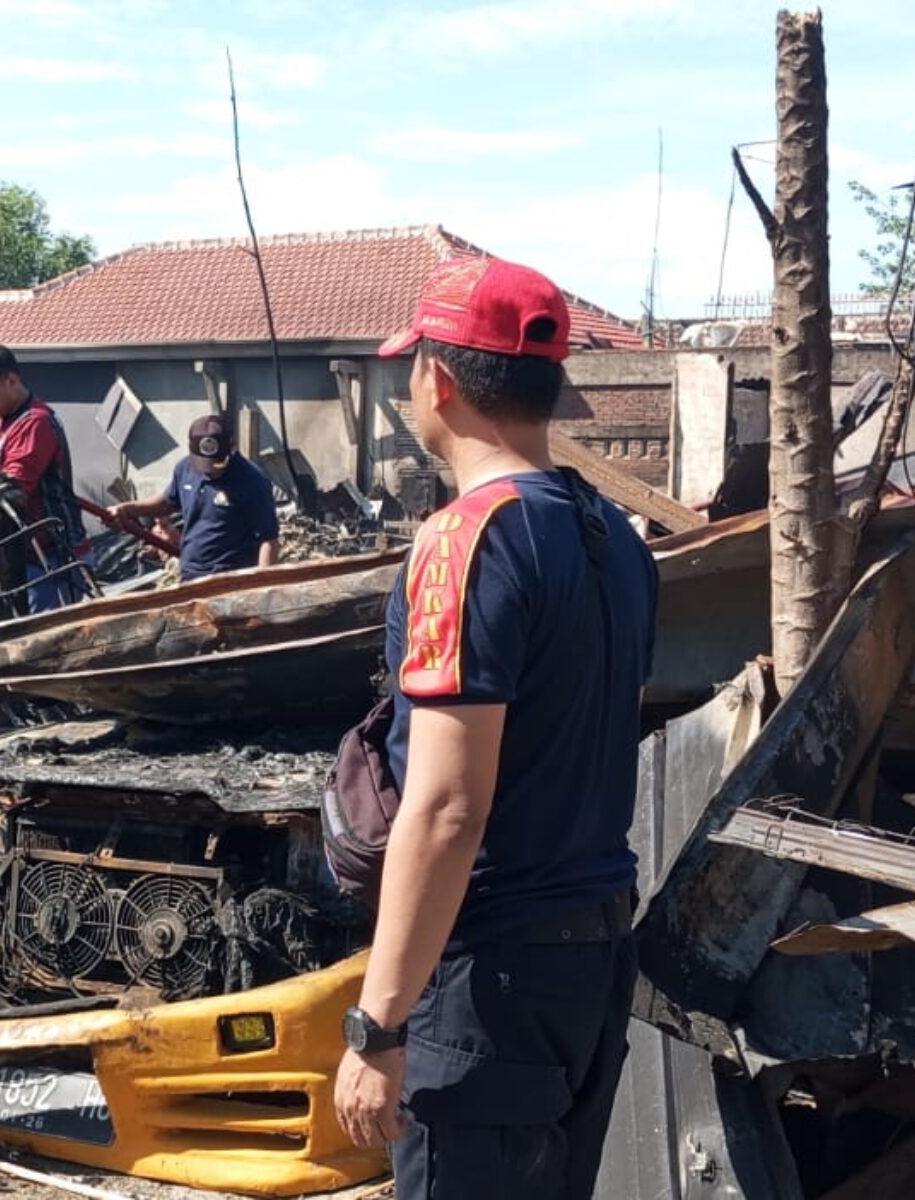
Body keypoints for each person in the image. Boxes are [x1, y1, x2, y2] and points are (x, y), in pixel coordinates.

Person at [331, 257, 658, 1199]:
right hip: (589, 964)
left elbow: (445, 807)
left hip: (491, 985)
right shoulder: (614, 540)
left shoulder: (465, 540)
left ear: (435, 377)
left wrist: (378, 1028)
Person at [0, 344, 91, 611]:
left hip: (53, 558)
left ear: (11, 381)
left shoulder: (35, 422)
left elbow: (11, 492)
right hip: (23, 557)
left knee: (45, 644)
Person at [106, 414, 281, 578]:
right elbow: (167, 502)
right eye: (205, 466)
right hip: (192, 574)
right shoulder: (185, 469)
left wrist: (261, 586)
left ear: (232, 446)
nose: (211, 471)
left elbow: (269, 541)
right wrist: (126, 510)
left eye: (218, 464)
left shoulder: (253, 481)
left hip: (231, 577)